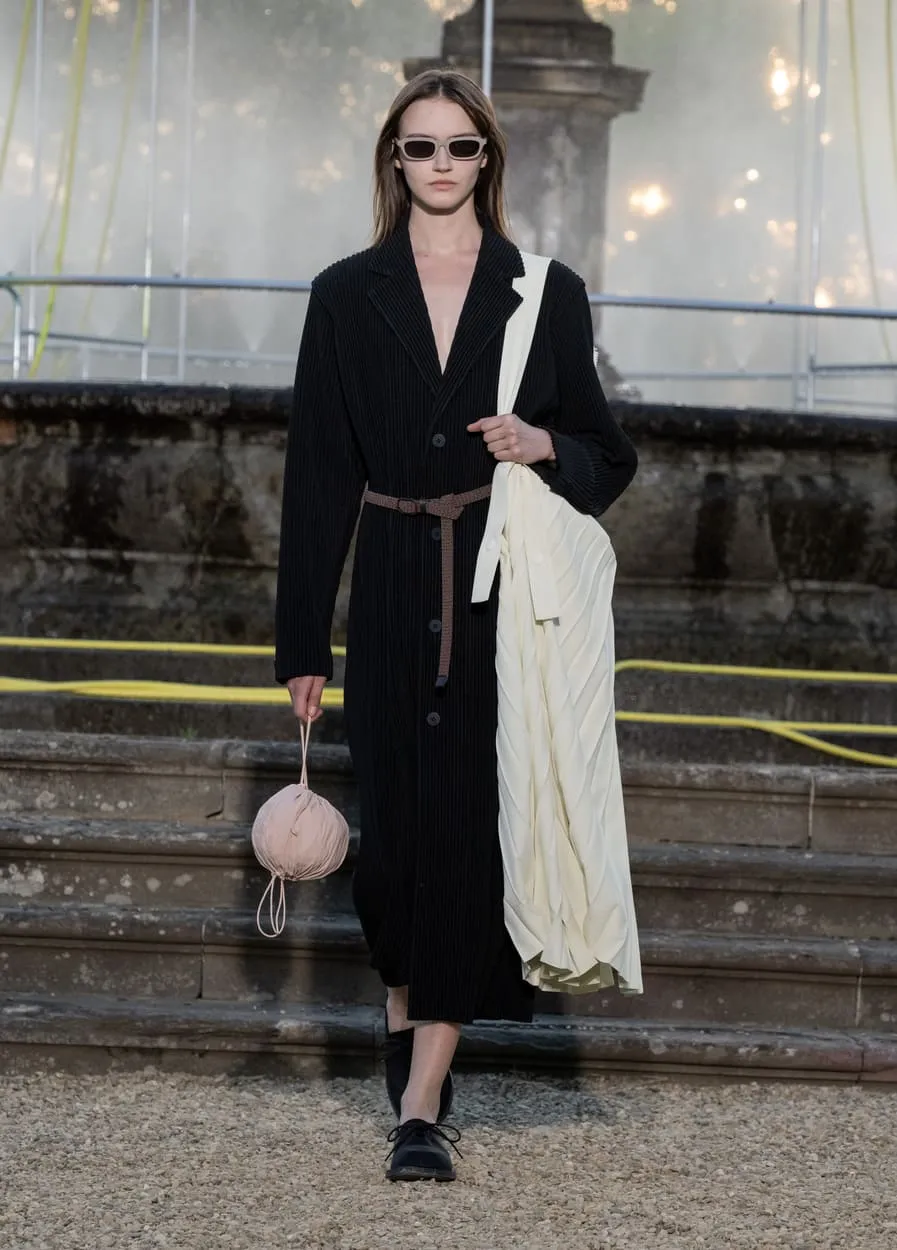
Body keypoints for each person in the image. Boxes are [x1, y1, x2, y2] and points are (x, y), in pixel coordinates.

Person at [274, 67, 638, 1183]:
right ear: (395, 160)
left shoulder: (543, 292)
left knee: (470, 837)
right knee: (391, 852)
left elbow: (607, 454)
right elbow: (317, 475)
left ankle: (422, 1100)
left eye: (460, 146)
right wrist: (302, 643)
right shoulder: (345, 292)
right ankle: (405, 1017)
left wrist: (543, 443)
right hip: (390, 579)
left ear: (488, 159)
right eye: (420, 146)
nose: (441, 164)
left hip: (495, 591)